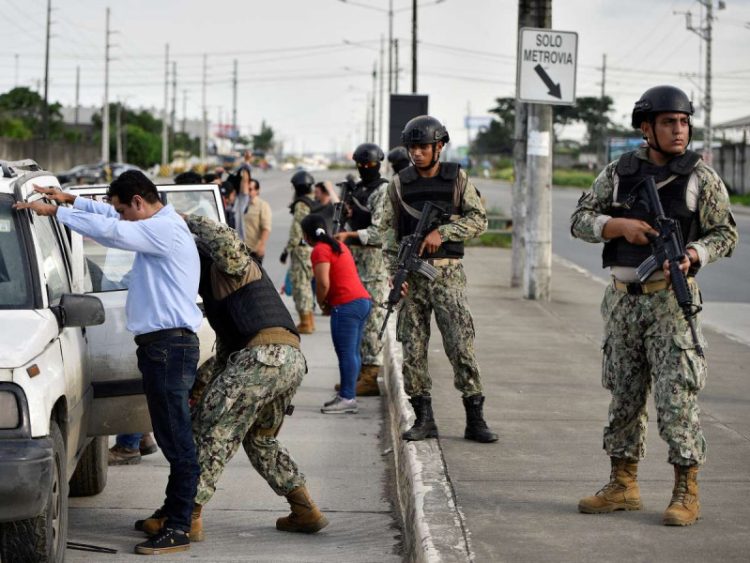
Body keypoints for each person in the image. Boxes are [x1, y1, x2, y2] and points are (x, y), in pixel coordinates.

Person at [571, 85, 738, 526]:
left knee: (676, 399)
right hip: (624, 301)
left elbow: (725, 232)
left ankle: (687, 489)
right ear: (646, 129)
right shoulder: (617, 173)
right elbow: (580, 219)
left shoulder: (702, 177)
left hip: (670, 302)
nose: (679, 130)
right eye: (668, 122)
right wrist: (617, 225)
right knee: (623, 396)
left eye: (683, 122)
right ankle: (622, 485)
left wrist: (695, 254)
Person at [15, 171, 202, 554]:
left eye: (122, 209)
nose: (119, 215)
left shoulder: (162, 231)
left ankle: (180, 525)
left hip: (170, 347)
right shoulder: (156, 224)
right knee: (171, 436)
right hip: (163, 347)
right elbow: (115, 222)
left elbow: (112, 233)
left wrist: (55, 213)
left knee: (178, 441)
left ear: (137, 202)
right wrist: (70, 201)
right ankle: (171, 511)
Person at [136, 216, 328, 539]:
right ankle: (305, 508)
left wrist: (181, 220)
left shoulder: (230, 264)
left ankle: (187, 514)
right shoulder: (220, 296)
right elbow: (226, 358)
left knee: (210, 429)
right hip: (287, 361)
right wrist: (199, 387)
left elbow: (223, 236)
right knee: (259, 439)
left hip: (263, 358)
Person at [381, 115, 498, 444]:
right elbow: (388, 236)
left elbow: (479, 220)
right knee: (413, 350)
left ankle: (475, 418)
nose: (416, 154)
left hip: (447, 274)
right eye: (412, 148)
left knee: (461, 347)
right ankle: (424, 418)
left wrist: (442, 232)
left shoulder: (456, 178)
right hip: (413, 277)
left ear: (439, 147)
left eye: (423, 147)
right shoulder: (399, 184)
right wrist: (396, 275)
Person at [333, 143, 389, 396]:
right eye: (361, 164)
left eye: (370, 164)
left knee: (374, 320)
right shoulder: (359, 190)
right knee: (355, 321)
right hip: (355, 263)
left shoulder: (383, 190)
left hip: (374, 263)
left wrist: (350, 234)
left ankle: (370, 374)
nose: (365, 168)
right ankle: (355, 374)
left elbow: (380, 232)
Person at [302, 213, 371, 414]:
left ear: (306, 236)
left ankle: (348, 398)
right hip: (362, 301)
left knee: (346, 353)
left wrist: (322, 302)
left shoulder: (319, 250)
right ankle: (347, 395)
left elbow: (323, 283)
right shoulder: (337, 245)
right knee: (353, 352)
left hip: (346, 305)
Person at [280, 170, 316, 334]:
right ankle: (309, 321)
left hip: (301, 249)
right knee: (306, 285)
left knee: (301, 286)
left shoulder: (301, 204)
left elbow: (296, 231)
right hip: (310, 248)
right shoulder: (312, 201)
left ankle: (305, 322)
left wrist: (287, 250)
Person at [238, 175, 272, 264]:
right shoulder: (240, 204)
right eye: (247, 189)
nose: (248, 192)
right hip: (239, 250)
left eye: (250, 189)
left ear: (257, 191)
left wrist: (262, 245)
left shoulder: (262, 206)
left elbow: (266, 228)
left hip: (254, 251)